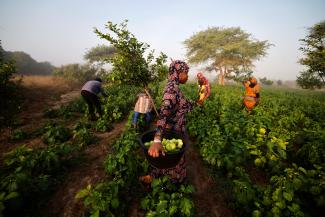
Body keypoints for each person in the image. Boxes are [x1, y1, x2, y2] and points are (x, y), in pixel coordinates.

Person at [139, 60, 207, 184]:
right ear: (180, 73)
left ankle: (156, 176)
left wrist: (198, 102)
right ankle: (175, 184)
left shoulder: (174, 87)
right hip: (172, 132)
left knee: (165, 156)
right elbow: (164, 114)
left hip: (175, 130)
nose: (187, 76)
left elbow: (182, 105)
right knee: (174, 159)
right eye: (186, 73)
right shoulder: (171, 90)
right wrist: (157, 139)